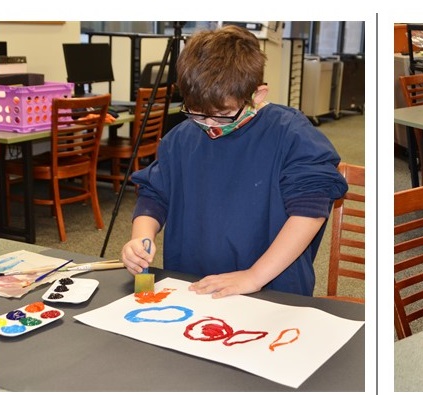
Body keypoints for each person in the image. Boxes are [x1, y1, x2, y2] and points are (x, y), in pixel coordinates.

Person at [120, 25, 348, 298]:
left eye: (222, 115)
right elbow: (155, 195)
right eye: (197, 114)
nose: (209, 125)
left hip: (272, 289)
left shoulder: (292, 135)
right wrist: (140, 238)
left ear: (257, 96)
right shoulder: (181, 139)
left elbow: (309, 214)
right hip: (194, 284)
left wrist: (254, 276)